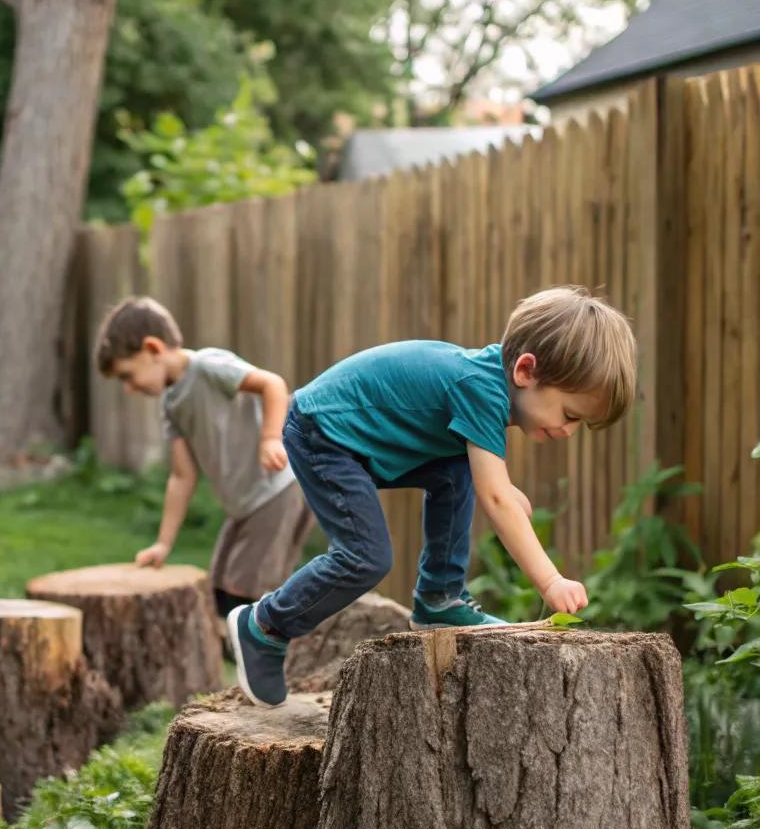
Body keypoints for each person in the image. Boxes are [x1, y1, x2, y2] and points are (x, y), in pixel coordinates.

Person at [227, 286, 638, 707]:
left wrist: (506, 490)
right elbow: (492, 498)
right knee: (366, 557)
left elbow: (489, 479)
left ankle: (440, 599)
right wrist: (550, 580)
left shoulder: (489, 384)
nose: (568, 431)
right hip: (322, 433)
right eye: (570, 415)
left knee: (455, 467)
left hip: (351, 436)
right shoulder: (483, 388)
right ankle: (264, 625)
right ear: (526, 371)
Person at [95, 296, 313, 628]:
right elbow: (182, 477)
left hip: (279, 490)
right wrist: (163, 543)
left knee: (248, 592)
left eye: (128, 375)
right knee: (219, 588)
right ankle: (240, 655)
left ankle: (270, 658)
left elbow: (272, 384)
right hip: (244, 504)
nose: (129, 389)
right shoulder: (171, 403)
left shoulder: (208, 367)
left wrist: (270, 437)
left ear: (152, 348)